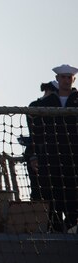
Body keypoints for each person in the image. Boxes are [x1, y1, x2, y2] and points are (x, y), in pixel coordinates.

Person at [27, 64, 78, 232]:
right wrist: (34, 155)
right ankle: (56, 230)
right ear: (57, 79)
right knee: (51, 196)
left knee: (73, 196)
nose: (66, 80)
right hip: (51, 157)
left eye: (69, 77)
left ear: (73, 79)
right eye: (62, 77)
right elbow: (36, 133)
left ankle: (71, 226)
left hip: (74, 158)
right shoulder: (44, 104)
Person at [23, 80, 59, 202]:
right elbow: (34, 133)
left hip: (55, 155)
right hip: (38, 153)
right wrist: (33, 155)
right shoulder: (35, 106)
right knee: (40, 194)